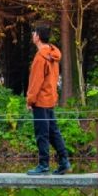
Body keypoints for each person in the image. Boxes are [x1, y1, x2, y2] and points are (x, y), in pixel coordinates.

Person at [25, 23, 71, 174]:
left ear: (38, 36)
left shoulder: (40, 57)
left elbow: (35, 82)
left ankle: (44, 164)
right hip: (50, 99)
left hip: (41, 101)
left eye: (34, 33)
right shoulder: (53, 55)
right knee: (53, 132)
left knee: (42, 133)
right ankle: (64, 161)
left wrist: (30, 100)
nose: (32, 35)